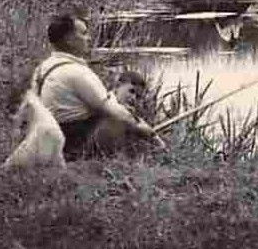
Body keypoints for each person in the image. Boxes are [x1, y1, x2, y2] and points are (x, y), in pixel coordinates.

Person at [30, 13, 166, 160]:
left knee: (117, 108)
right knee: (120, 117)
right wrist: (149, 133)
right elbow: (115, 112)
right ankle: (106, 157)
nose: (89, 38)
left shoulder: (43, 68)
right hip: (73, 144)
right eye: (83, 33)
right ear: (69, 40)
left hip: (52, 139)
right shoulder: (77, 72)